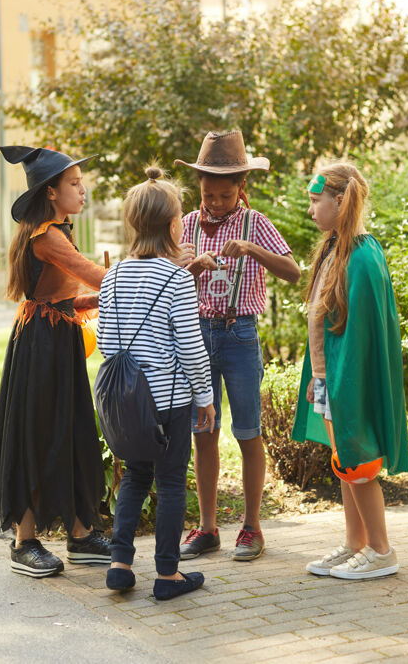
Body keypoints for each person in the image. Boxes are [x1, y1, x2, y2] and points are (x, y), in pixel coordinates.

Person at [0, 145, 111, 577]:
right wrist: (152, 269)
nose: (82, 189)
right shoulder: (47, 236)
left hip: (59, 338)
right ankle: (24, 543)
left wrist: (101, 295)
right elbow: (93, 274)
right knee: (38, 436)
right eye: (74, 183)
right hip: (41, 345)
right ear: (51, 192)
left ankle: (81, 534)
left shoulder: (57, 229)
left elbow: (70, 297)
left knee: (70, 431)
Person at [175, 130, 301, 562]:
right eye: (208, 194)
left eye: (225, 195)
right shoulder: (187, 224)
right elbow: (167, 279)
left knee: (248, 431)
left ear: (240, 189)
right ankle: (208, 528)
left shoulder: (256, 223)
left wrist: (250, 249)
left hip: (239, 335)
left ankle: (251, 526)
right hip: (197, 336)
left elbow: (292, 272)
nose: (215, 203)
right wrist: (189, 268)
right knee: (202, 432)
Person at [97, 165, 216, 601]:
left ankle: (119, 564)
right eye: (181, 214)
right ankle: (168, 576)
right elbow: (190, 347)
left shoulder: (112, 277)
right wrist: (205, 397)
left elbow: (107, 344)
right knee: (168, 483)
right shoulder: (177, 278)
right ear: (172, 224)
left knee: (133, 479)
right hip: (167, 401)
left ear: (132, 223)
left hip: (124, 402)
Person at [292, 161, 408, 579]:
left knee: (358, 465)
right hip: (331, 380)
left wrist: (342, 385)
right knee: (344, 464)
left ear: (339, 200)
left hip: (349, 383)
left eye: (314, 200)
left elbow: (363, 339)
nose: (310, 210)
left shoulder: (362, 256)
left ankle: (381, 551)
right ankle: (354, 544)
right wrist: (318, 377)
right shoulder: (332, 248)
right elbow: (324, 325)